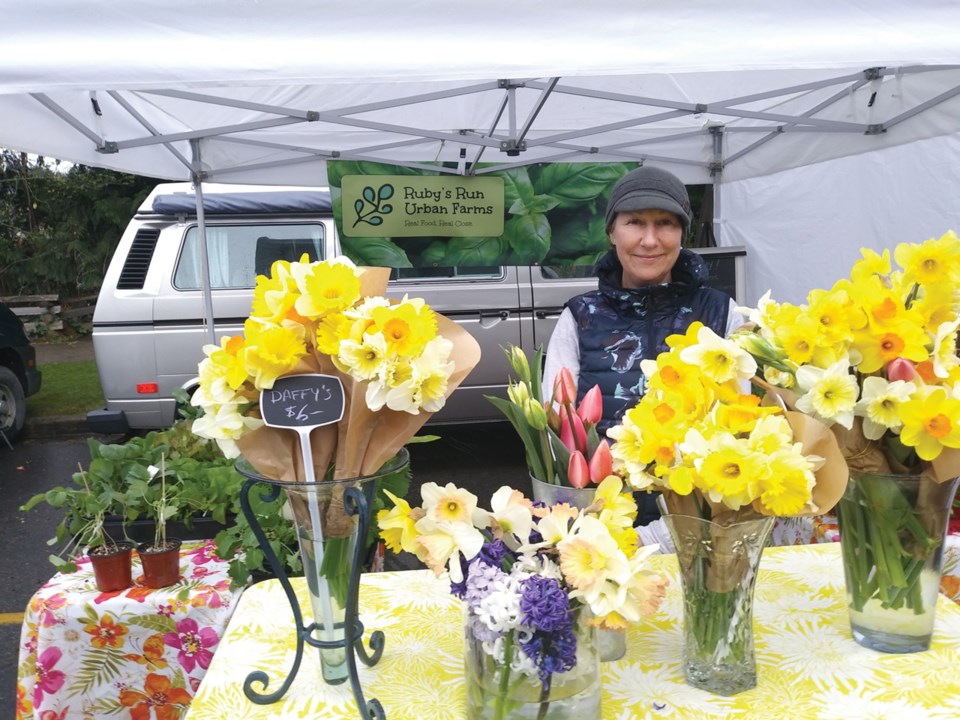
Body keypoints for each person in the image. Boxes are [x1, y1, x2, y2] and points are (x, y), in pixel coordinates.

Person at [542, 165, 744, 545]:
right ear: (612, 231)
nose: (650, 240)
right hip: (602, 525)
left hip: (701, 523)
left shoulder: (720, 313)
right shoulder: (580, 316)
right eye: (635, 222)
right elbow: (555, 425)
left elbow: (742, 419)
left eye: (665, 223)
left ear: (683, 233)